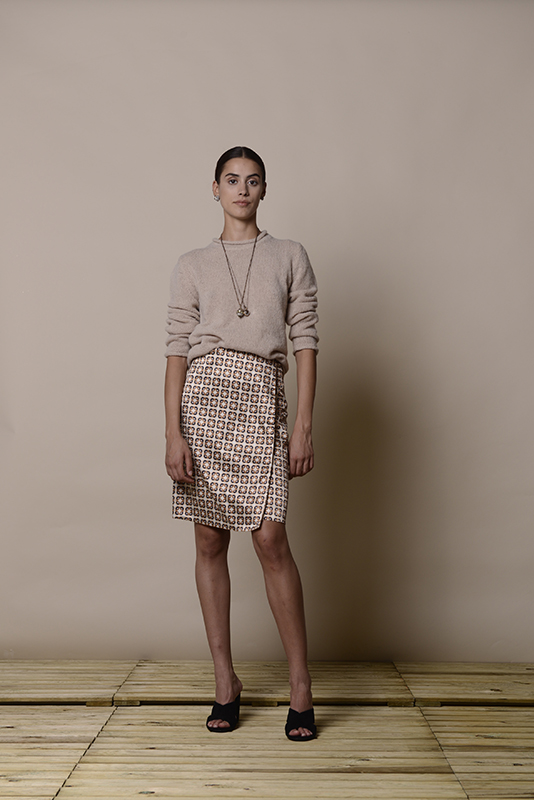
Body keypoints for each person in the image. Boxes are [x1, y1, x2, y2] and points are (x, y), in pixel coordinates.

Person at [164, 146, 318, 741]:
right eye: (232, 180)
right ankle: (225, 682)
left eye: (253, 181)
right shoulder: (192, 263)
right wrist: (173, 431)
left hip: (260, 399)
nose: (242, 190)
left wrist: (302, 424)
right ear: (215, 188)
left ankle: (300, 685)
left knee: (271, 538)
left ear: (264, 189)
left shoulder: (290, 254)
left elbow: (305, 339)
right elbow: (177, 350)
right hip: (203, 402)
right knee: (209, 539)